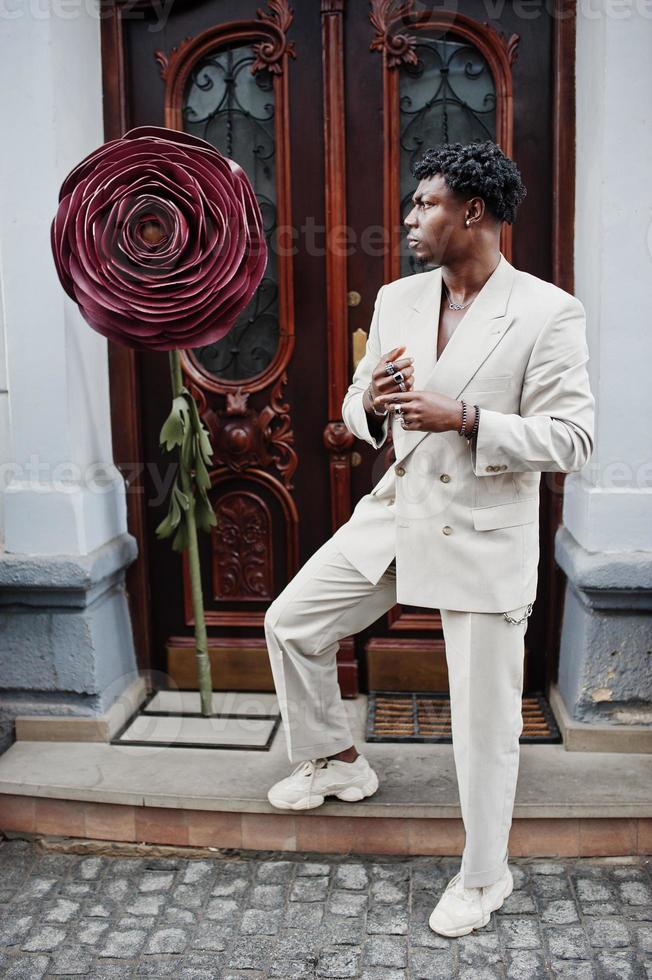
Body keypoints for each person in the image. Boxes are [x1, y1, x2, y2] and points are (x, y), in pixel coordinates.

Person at [263, 140, 595, 937]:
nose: (410, 218)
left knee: (483, 726)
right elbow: (355, 404)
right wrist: (367, 405)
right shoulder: (396, 299)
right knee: (292, 622)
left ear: (472, 212)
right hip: (398, 513)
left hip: (482, 533)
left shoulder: (548, 312)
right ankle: (340, 761)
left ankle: (486, 876)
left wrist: (468, 419)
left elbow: (573, 439)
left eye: (425, 204)